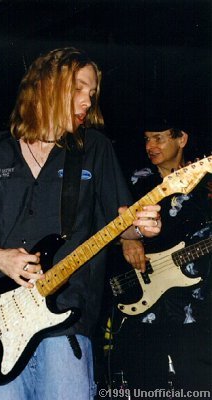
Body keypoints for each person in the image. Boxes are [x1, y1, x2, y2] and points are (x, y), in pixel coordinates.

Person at [0, 47, 161, 400]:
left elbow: (124, 224)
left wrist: (141, 227)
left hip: (67, 323)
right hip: (0, 327)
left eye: (91, 93)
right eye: (78, 88)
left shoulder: (95, 149)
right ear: (45, 85)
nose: (87, 101)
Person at [108, 118, 212, 396]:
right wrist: (125, 239)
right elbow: (99, 227)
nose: (150, 146)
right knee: (145, 386)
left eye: (158, 138)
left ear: (182, 139)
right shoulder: (133, 181)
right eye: (146, 139)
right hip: (143, 308)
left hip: (195, 309)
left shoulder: (205, 182)